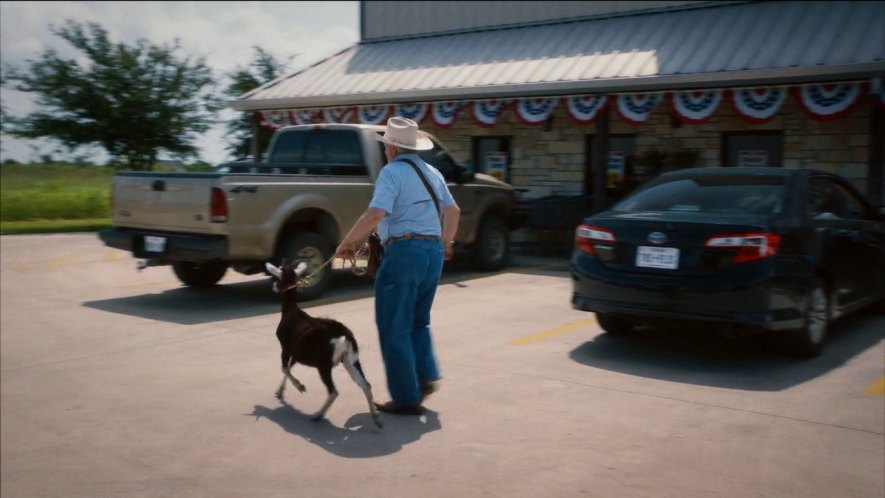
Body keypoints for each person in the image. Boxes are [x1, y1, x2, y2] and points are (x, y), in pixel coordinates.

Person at [335, 116, 461, 415]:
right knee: (419, 321)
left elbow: (376, 213)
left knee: (393, 325)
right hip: (432, 252)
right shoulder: (433, 172)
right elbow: (453, 211)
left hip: (404, 251)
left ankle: (406, 398)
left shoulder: (391, 173)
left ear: (391, 146)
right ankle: (427, 374)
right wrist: (447, 243)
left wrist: (348, 242)